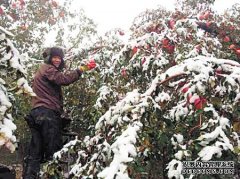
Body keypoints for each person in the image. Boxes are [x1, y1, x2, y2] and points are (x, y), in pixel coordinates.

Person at [23, 47, 96, 179]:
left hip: (36, 113)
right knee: (53, 153)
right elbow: (64, 79)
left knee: (35, 152)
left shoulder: (43, 69)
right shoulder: (48, 68)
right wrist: (81, 69)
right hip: (47, 114)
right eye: (54, 57)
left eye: (59, 58)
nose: (57, 60)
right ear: (49, 58)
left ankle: (30, 176)